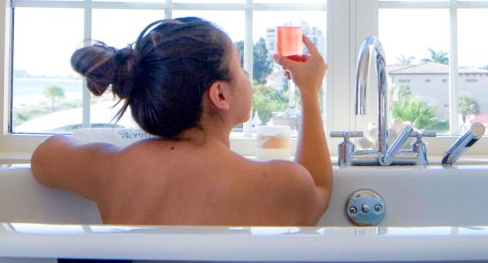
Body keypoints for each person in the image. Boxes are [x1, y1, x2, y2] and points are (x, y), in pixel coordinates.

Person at [30, 17, 331, 226]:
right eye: (239, 68)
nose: (248, 77)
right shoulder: (275, 183)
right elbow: (318, 187)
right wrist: (308, 91)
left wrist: (110, 153)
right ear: (220, 94)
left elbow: (43, 158)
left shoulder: (115, 169)